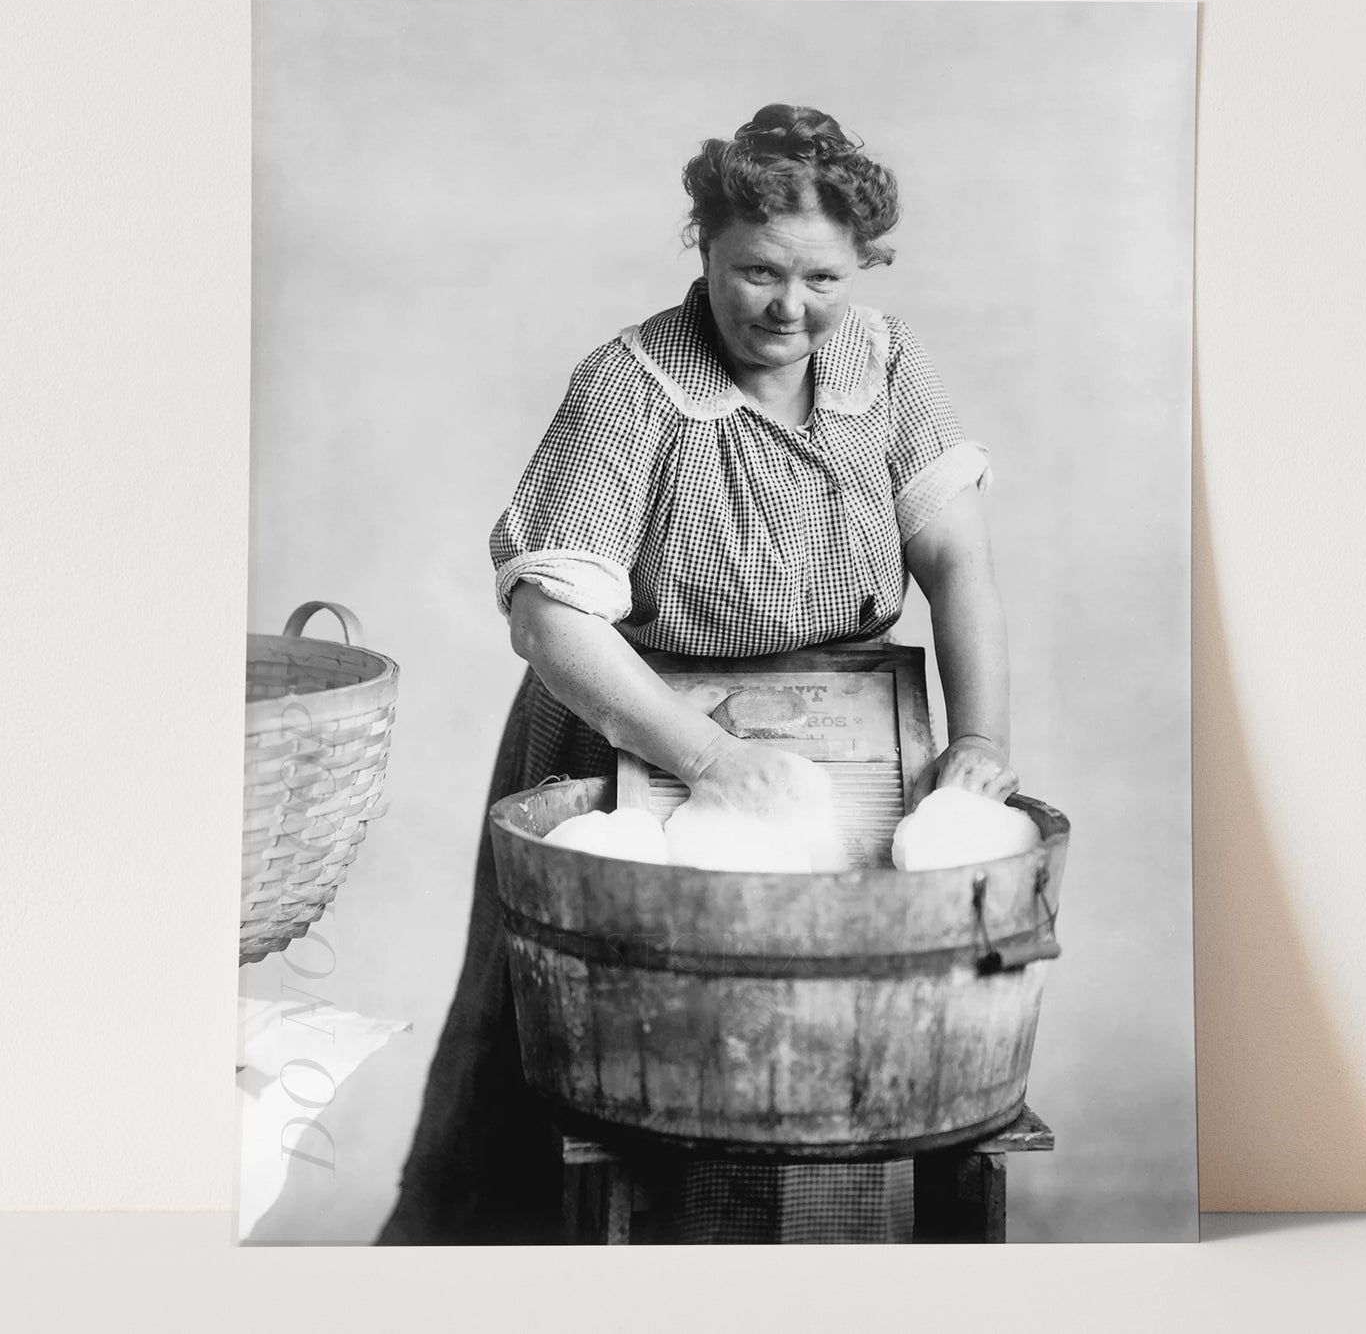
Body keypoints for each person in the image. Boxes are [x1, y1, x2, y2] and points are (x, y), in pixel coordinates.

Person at [377, 103, 1018, 1245]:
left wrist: (978, 741)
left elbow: (957, 560)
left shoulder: (883, 360)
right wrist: (712, 760)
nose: (786, 307)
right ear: (702, 247)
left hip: (849, 735)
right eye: (753, 271)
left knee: (829, 1046)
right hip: (637, 737)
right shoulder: (632, 386)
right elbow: (547, 621)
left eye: (820, 276)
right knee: (607, 1064)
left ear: (863, 264)